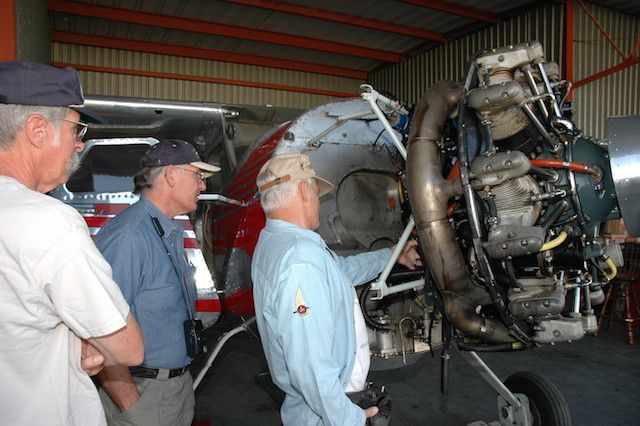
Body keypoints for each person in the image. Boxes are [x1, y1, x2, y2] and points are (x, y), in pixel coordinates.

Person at [0, 61, 145, 426]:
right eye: (76, 128)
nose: (80, 143)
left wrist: (70, 335)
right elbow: (128, 347)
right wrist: (88, 336)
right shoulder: (47, 221)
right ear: (37, 130)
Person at [251, 153, 422, 425]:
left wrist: (392, 255)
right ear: (305, 191)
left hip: (313, 408)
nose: (318, 201)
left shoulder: (276, 242)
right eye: (317, 193)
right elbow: (310, 366)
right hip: (325, 414)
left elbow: (339, 272)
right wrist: (348, 419)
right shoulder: (300, 259)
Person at [94, 139, 220, 426]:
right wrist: (132, 406)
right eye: (198, 176)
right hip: (143, 394)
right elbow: (99, 333)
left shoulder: (166, 232)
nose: (203, 186)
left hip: (175, 387)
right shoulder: (130, 237)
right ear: (172, 175)